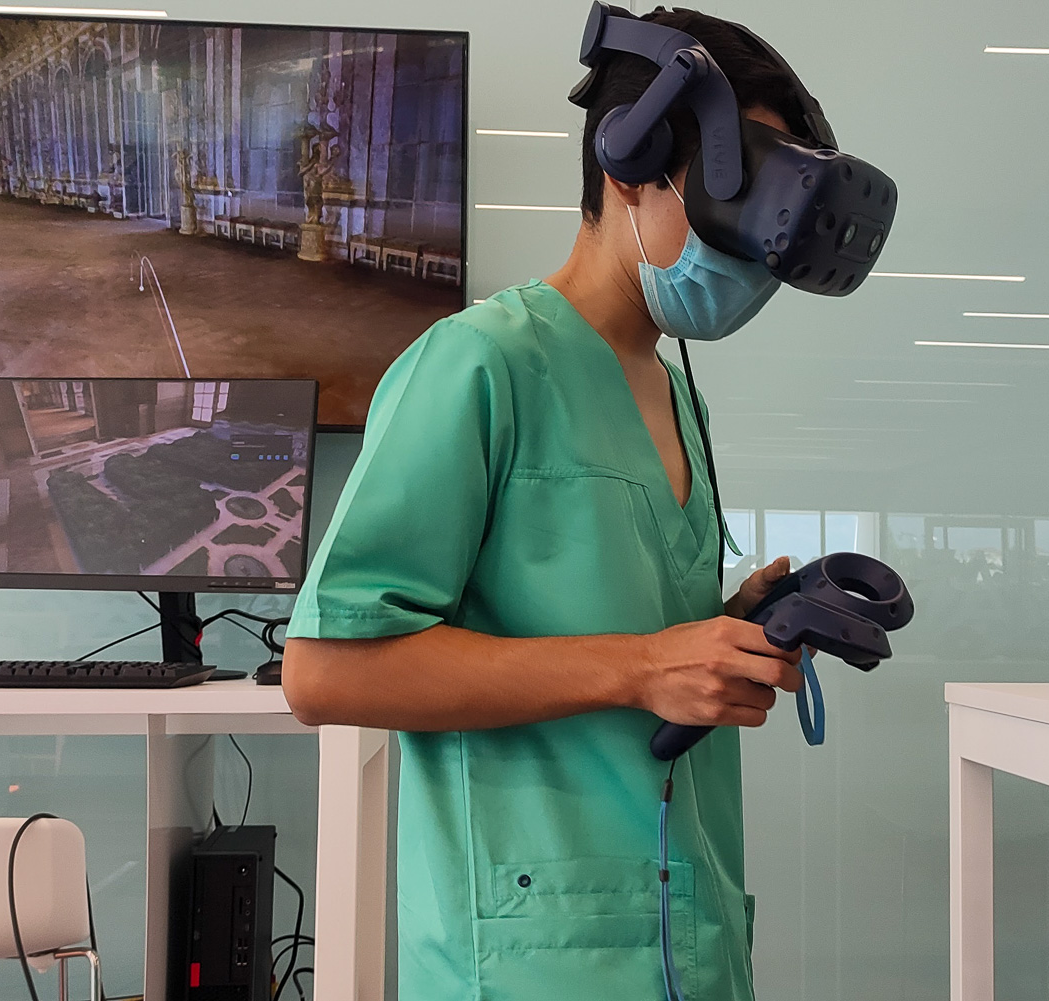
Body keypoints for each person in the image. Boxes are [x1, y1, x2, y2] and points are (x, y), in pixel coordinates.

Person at [281, 9, 828, 1000]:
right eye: (735, 199)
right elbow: (325, 672)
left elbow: (626, 638)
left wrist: (729, 630)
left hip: (684, 938)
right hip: (534, 956)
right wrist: (644, 667)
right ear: (630, 166)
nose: (755, 247)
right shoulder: (479, 364)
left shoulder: (679, 397)